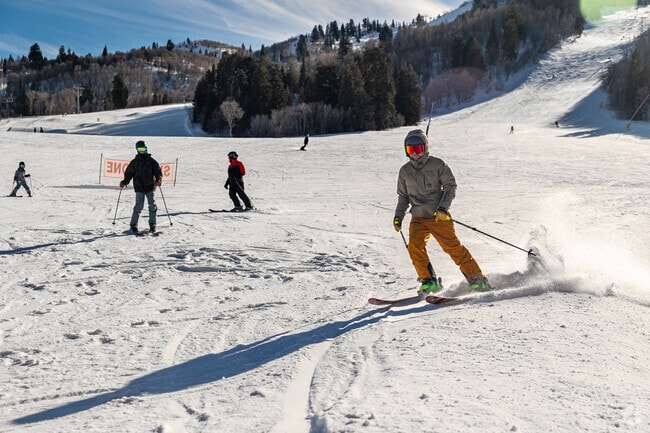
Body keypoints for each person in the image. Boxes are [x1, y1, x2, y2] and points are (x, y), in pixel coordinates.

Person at [393, 129, 490, 294]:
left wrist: (443, 208)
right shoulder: (405, 171)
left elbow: (450, 186)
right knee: (415, 247)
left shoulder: (438, 165)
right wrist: (398, 216)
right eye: (411, 150)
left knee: (452, 247)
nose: (415, 154)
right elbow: (403, 197)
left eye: (418, 149)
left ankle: (477, 279)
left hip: (438, 216)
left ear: (425, 148)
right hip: (418, 217)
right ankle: (429, 281)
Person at [119, 140, 162, 233]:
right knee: (139, 205)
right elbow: (129, 173)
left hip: (150, 186)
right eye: (140, 149)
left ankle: (152, 224)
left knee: (152, 204)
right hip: (139, 186)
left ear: (146, 149)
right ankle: (133, 224)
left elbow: (158, 171)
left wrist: (159, 179)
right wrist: (125, 182)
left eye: (143, 149)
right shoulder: (134, 162)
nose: (142, 151)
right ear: (137, 150)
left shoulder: (151, 161)